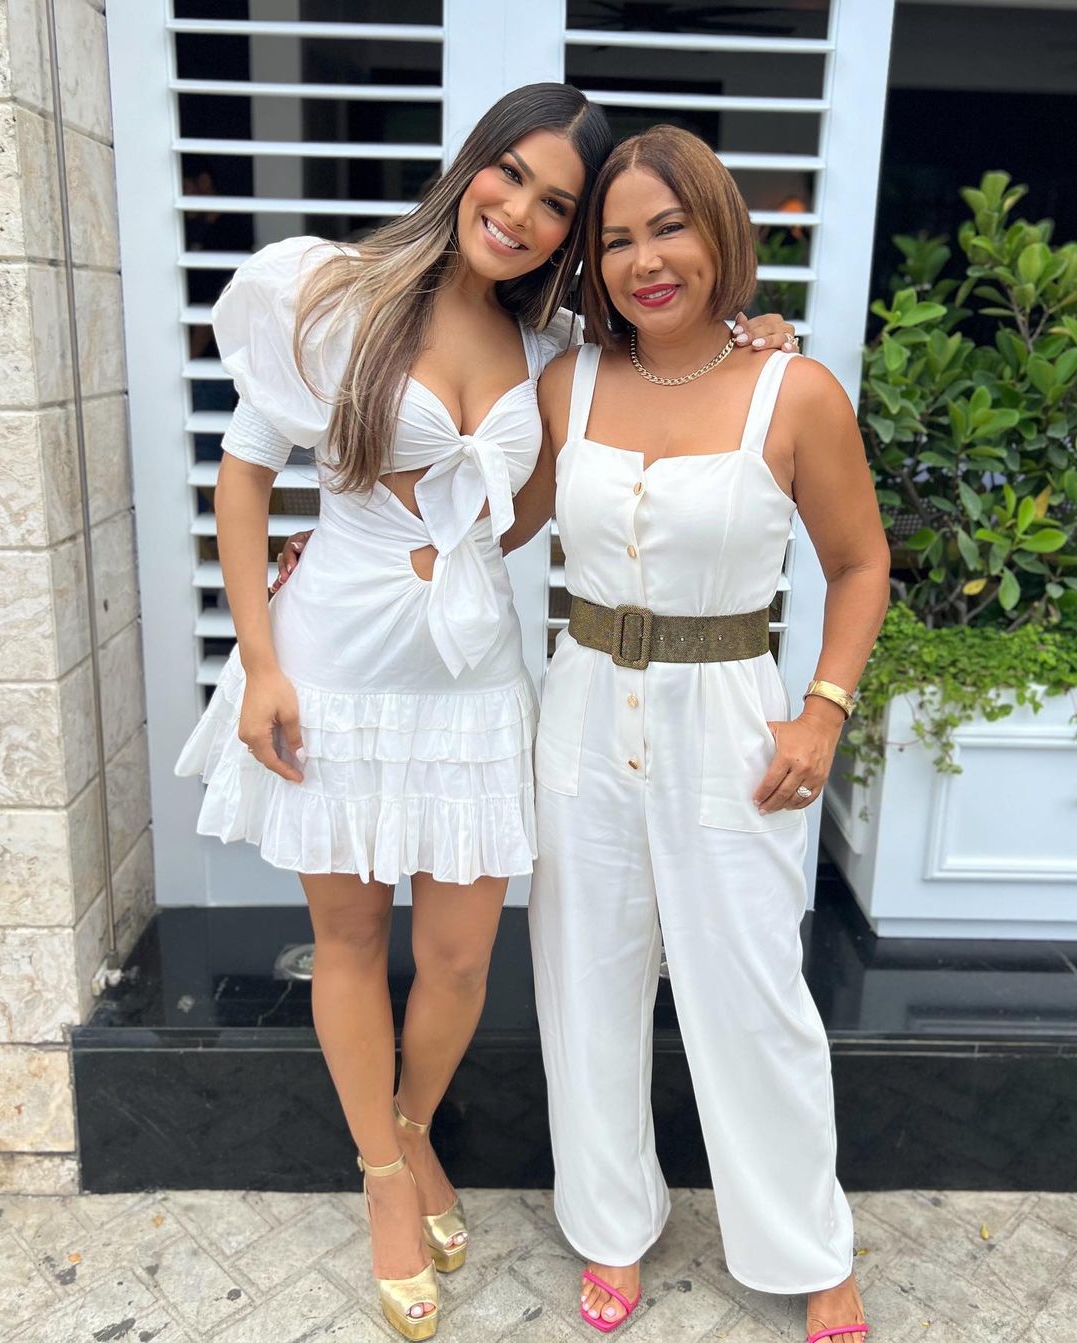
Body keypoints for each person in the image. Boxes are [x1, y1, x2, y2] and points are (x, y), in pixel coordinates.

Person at [176, 82, 796, 1340]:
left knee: (461, 953)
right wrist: (263, 658)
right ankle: (385, 1176)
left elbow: (548, 490)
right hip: (335, 675)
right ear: (470, 167)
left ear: (573, 233)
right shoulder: (337, 296)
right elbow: (242, 482)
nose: (520, 211)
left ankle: (412, 1126)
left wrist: (752, 339)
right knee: (352, 940)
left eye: (558, 203)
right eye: (509, 174)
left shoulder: (555, 353)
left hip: (467, 688)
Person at [509, 126, 890, 1340]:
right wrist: (348, 537)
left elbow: (861, 562)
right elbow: (490, 519)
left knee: (753, 994)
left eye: (668, 227)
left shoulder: (795, 389)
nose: (645, 260)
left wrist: (823, 709)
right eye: (617, 238)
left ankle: (808, 1244)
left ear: (719, 229)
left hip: (731, 718)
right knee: (586, 982)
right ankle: (610, 1221)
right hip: (583, 712)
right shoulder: (566, 384)